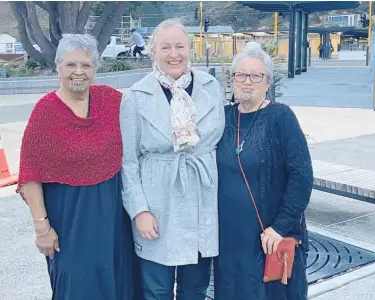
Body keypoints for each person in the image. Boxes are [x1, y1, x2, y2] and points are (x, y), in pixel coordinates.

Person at [16, 34, 136, 299]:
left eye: (86, 65)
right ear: (58, 67)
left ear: (95, 69)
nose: (78, 72)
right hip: (70, 224)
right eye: (71, 65)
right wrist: (42, 229)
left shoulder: (111, 100)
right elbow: (30, 175)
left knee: (118, 281)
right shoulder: (45, 111)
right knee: (77, 286)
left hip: (114, 221)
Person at [120, 18, 225, 300]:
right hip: (158, 205)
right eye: (165, 47)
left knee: (195, 288)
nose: (173, 54)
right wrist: (139, 210)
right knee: (156, 290)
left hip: (201, 198)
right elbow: (128, 162)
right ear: (152, 52)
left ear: (190, 49)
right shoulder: (136, 96)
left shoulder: (210, 86)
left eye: (180, 46)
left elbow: (219, 142)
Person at [213, 46, 313, 299]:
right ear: (232, 80)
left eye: (256, 76)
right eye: (241, 75)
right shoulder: (222, 118)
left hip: (267, 236)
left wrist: (279, 227)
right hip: (229, 237)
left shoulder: (281, 117)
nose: (247, 81)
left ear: (267, 82)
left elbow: (301, 176)